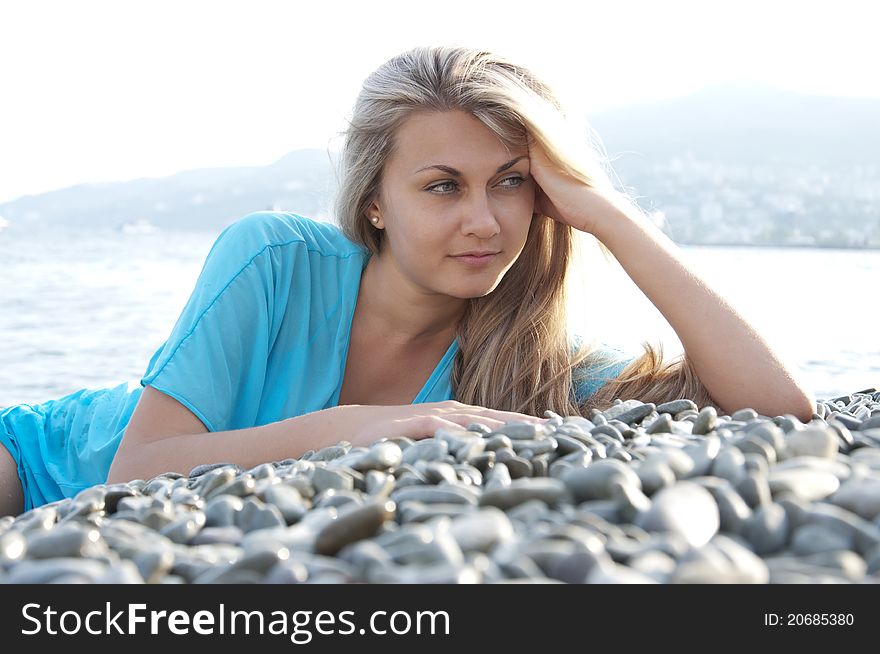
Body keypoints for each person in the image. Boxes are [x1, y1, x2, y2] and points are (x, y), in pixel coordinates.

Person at [0, 45, 815, 517]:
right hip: (37, 459)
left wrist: (609, 217)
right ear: (375, 202)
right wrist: (361, 424)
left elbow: (779, 411)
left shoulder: (529, 358)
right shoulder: (275, 258)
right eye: (441, 186)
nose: (485, 222)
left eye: (510, 181)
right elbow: (140, 467)